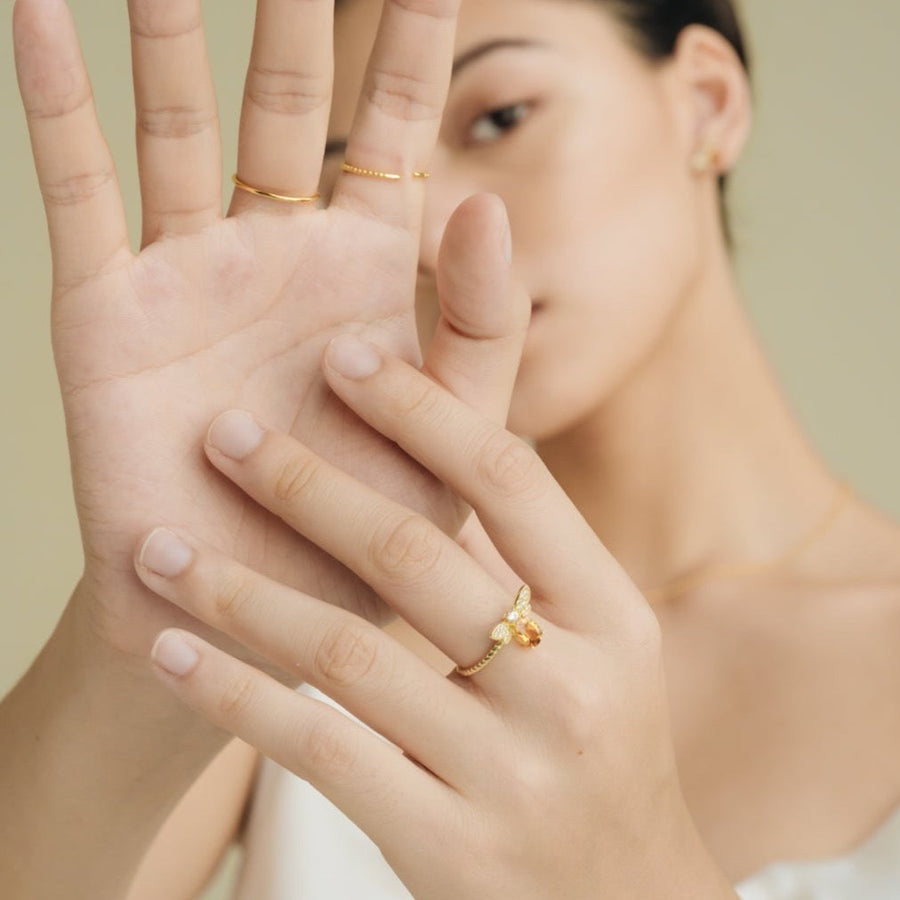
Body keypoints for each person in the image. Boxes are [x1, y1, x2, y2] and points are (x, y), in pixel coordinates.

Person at [3, 1, 900, 899]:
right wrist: (143, 637)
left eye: (501, 118)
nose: (432, 241)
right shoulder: (314, 605)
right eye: (356, 182)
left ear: (707, 103)